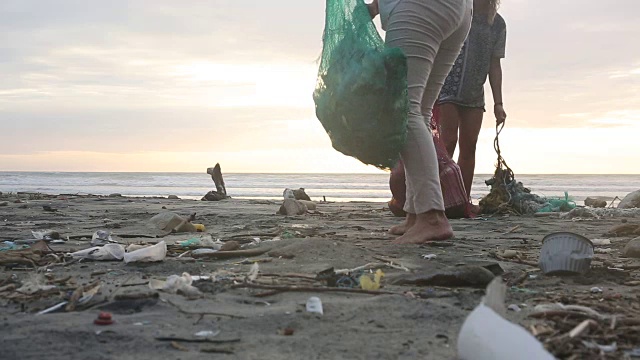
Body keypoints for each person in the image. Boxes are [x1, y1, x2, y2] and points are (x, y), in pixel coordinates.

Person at [368, 0, 472, 243]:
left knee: (404, 110)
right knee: (420, 112)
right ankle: (416, 213)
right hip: (458, 10)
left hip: (419, 6)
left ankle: (432, 217)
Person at [438, 0, 507, 208]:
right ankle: (436, 199)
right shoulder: (458, 13)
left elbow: (495, 64)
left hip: (474, 94)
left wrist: (498, 103)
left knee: (469, 148)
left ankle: (461, 200)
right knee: (447, 142)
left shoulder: (497, 24)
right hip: (446, 87)